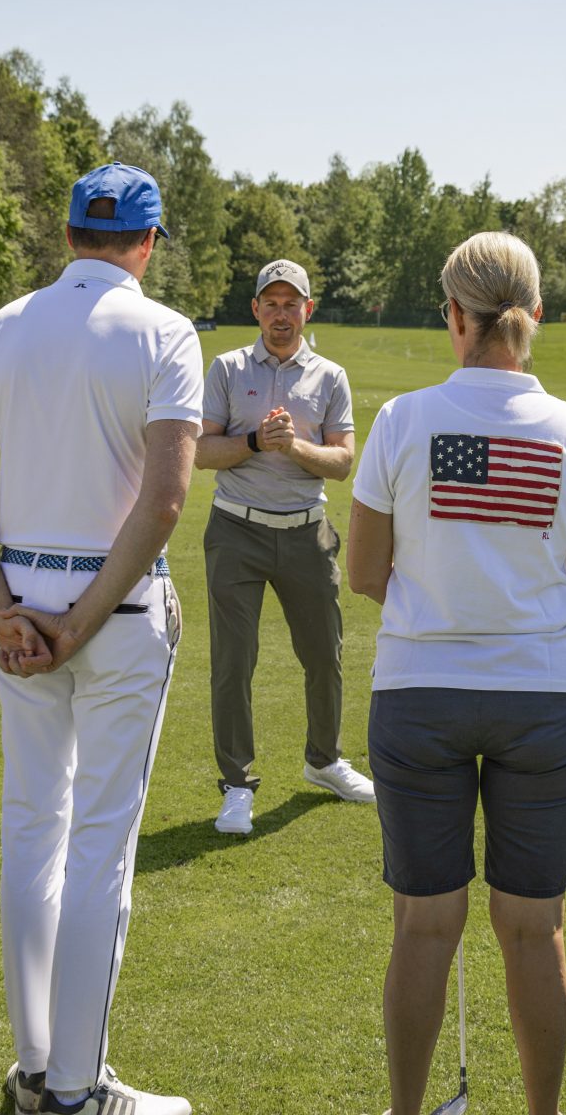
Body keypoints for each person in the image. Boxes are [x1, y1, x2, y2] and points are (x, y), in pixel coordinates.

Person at [0, 163, 203, 1115]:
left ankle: (38, 1066)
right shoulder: (166, 332)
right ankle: (78, 1092)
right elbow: (165, 500)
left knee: (32, 829)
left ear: (72, 233)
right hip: (115, 617)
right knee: (98, 847)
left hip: (20, 617)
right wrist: (78, 624)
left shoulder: (1, 327)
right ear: (149, 242)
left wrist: (7, 614)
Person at [346, 231, 566, 1115]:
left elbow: (362, 573)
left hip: (419, 696)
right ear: (533, 315)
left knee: (426, 924)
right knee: (534, 930)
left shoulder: (401, 419)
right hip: (543, 701)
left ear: (454, 317)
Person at [196, 258, 369, 834]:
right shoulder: (226, 367)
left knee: (324, 656)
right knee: (232, 663)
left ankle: (325, 761)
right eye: (270, 303)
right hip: (235, 530)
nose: (280, 314)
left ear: (306, 310)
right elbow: (201, 450)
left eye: (290, 303)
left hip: (306, 533)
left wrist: (293, 447)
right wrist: (253, 440)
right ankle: (237, 785)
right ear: (255, 310)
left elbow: (343, 462)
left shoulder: (330, 376)